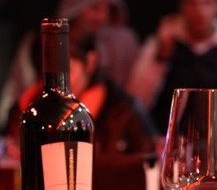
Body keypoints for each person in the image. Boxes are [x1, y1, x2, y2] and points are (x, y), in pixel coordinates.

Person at [0, 0, 140, 132]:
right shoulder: (39, 44)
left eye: (106, 10)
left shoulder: (99, 52)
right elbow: (21, 99)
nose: (102, 17)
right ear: (77, 6)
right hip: (36, 126)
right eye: (95, 8)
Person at [4, 33, 157, 156]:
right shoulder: (28, 109)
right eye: (49, 71)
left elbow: (151, 161)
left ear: (90, 61)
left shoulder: (123, 113)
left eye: (67, 70)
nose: (57, 81)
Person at [127, 0, 217, 133]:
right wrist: (161, 58)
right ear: (182, 7)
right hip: (170, 135)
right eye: (192, 3)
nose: (200, 11)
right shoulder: (162, 41)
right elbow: (137, 100)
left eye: (207, 3)